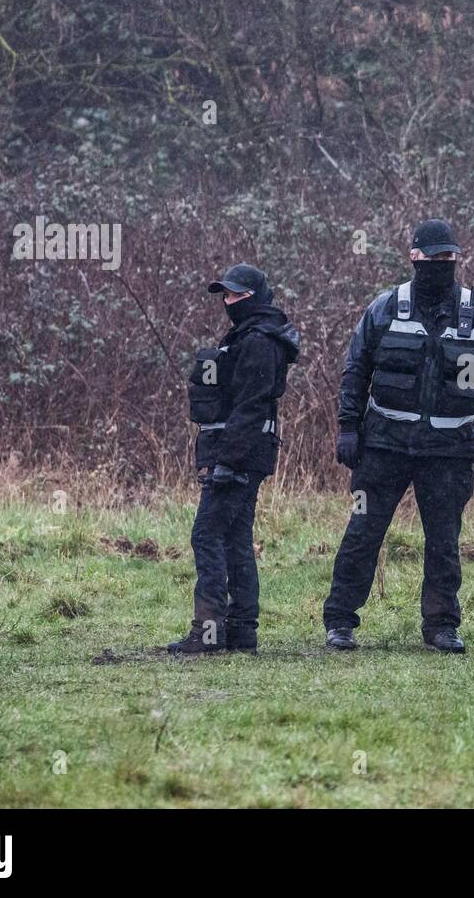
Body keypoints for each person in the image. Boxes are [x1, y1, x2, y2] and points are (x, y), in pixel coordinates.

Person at [324, 219, 474, 653]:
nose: (443, 265)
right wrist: (348, 426)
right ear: (414, 258)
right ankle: (339, 622)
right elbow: (356, 370)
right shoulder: (385, 307)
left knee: (443, 541)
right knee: (363, 532)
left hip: (448, 451)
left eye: (450, 258)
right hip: (383, 445)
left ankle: (441, 626)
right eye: (434, 258)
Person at [166, 263, 299, 655]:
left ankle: (208, 633)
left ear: (255, 298)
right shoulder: (247, 336)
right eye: (225, 295)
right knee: (236, 538)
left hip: (240, 454)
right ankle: (242, 632)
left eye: (237, 295)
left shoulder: (258, 341)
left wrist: (227, 460)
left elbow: (251, 406)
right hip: (246, 452)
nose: (229, 301)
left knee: (206, 534)